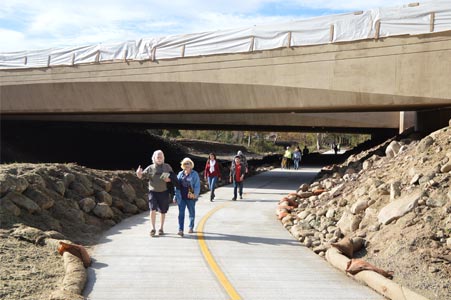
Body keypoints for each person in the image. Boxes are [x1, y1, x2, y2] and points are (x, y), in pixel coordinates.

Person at [136, 150, 175, 237]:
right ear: (154, 158)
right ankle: (152, 228)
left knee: (163, 211)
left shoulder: (167, 167)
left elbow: (173, 178)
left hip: (164, 192)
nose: (159, 158)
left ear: (163, 158)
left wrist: (169, 180)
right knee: (152, 209)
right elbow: (142, 176)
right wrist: (138, 173)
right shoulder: (151, 168)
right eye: (158, 157)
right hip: (153, 192)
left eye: (161, 157)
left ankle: (161, 228)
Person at [174, 157, 201, 237]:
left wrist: (195, 194)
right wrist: (175, 196)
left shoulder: (194, 174)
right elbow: (176, 186)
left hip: (191, 197)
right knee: (181, 214)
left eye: (188, 163)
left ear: (191, 164)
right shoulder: (180, 174)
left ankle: (191, 226)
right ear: (183, 165)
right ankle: (180, 229)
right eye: (185, 163)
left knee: (191, 213)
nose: (187, 165)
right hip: (181, 197)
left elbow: (197, 186)